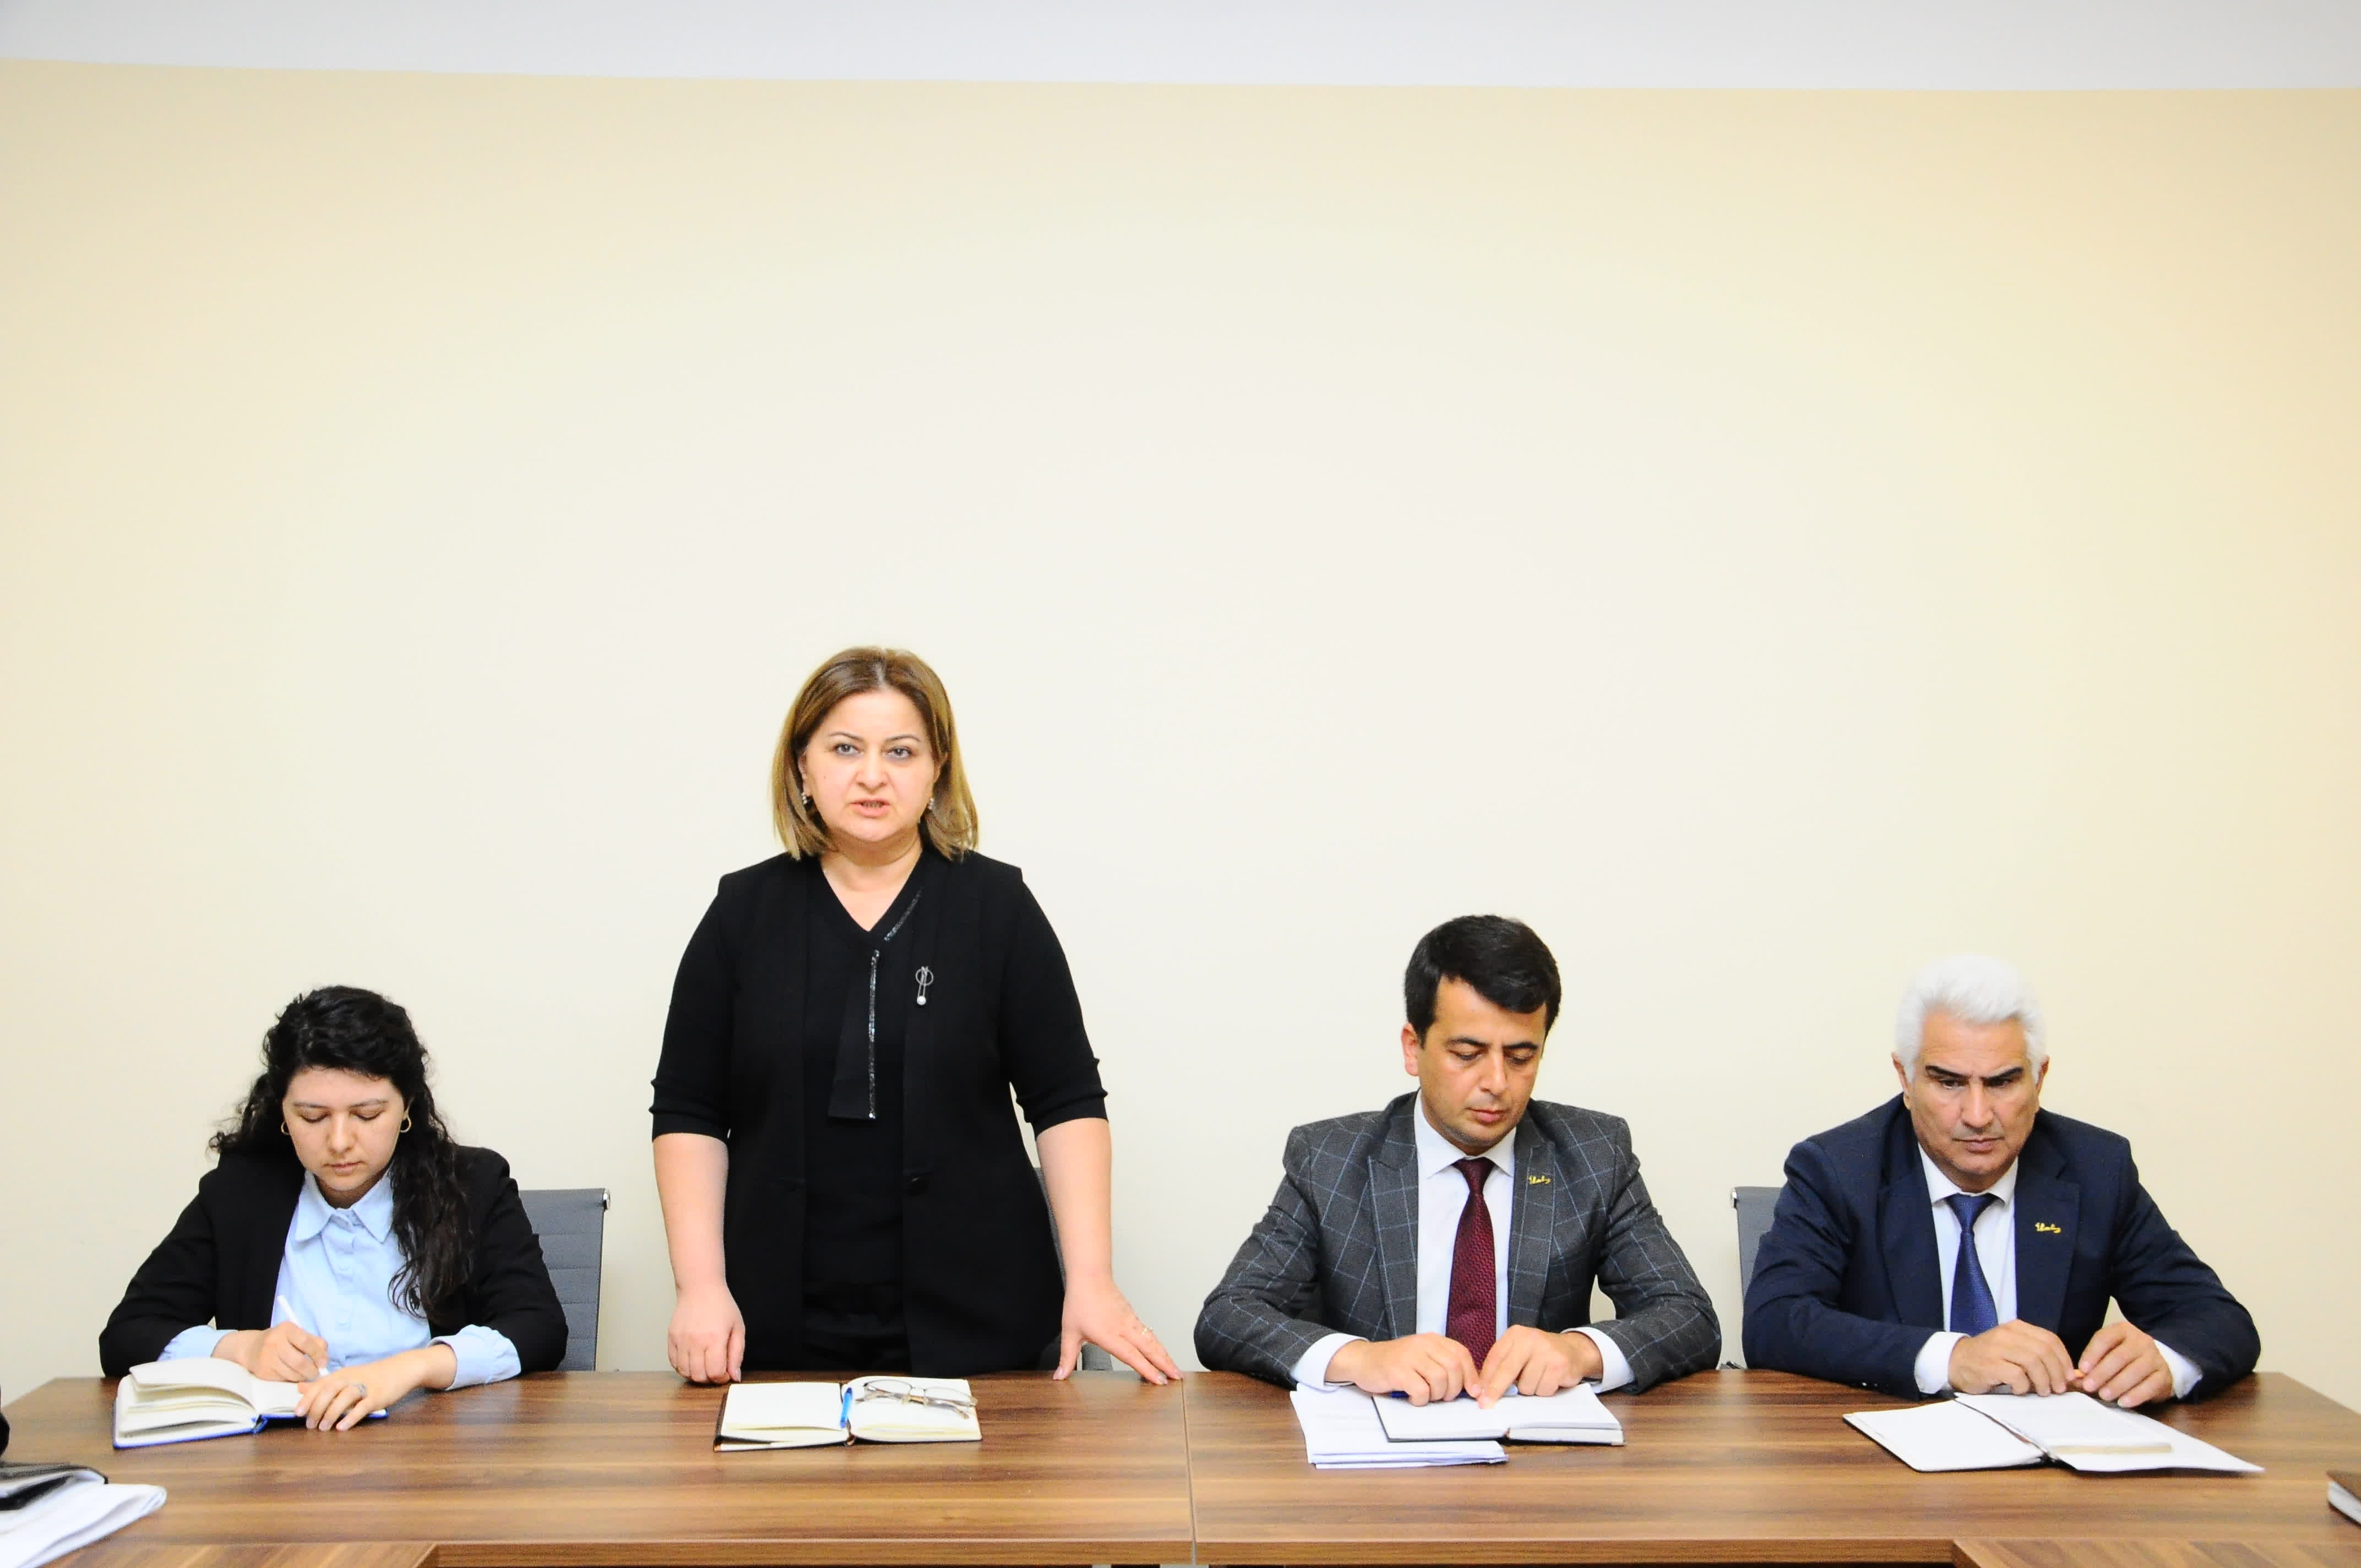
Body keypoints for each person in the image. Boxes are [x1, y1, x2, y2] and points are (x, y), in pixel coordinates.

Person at [650, 646, 1178, 1384]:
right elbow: (689, 1111)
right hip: (773, 1326)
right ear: (802, 767)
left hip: (981, 1321)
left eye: (900, 752)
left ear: (936, 770)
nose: (872, 775)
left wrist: (1091, 1279)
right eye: (845, 749)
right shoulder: (743, 914)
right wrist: (700, 1286)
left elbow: (1066, 1102)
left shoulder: (997, 908)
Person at [1195, 915, 1719, 1403]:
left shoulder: (1593, 1154)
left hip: (1539, 1451)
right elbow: (1229, 1316)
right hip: (1379, 1457)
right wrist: (1359, 1358)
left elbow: (1689, 1316)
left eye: (1521, 1057)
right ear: (1413, 1047)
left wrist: (1581, 1351)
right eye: (1467, 1054)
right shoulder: (1331, 1160)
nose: (1496, 1082)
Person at [1743, 954, 2258, 1406]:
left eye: (2003, 1082)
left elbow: (2218, 1318)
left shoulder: (2096, 1169)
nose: (1977, 1114)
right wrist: (1951, 1358)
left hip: (2050, 1468)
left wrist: (2165, 1362)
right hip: (1886, 1464)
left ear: (2039, 1078)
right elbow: (1774, 1321)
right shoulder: (1838, 1168)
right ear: (1905, 1079)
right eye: (1949, 1082)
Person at [100, 988, 567, 1430]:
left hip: (428, 1455)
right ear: (283, 1113)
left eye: (367, 1115)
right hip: (276, 1464)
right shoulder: (240, 1193)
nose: (340, 1142)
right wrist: (243, 1348)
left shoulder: (472, 1184)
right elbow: (127, 1334)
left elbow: (539, 1327)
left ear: (407, 1107)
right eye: (313, 1117)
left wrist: (411, 1369)